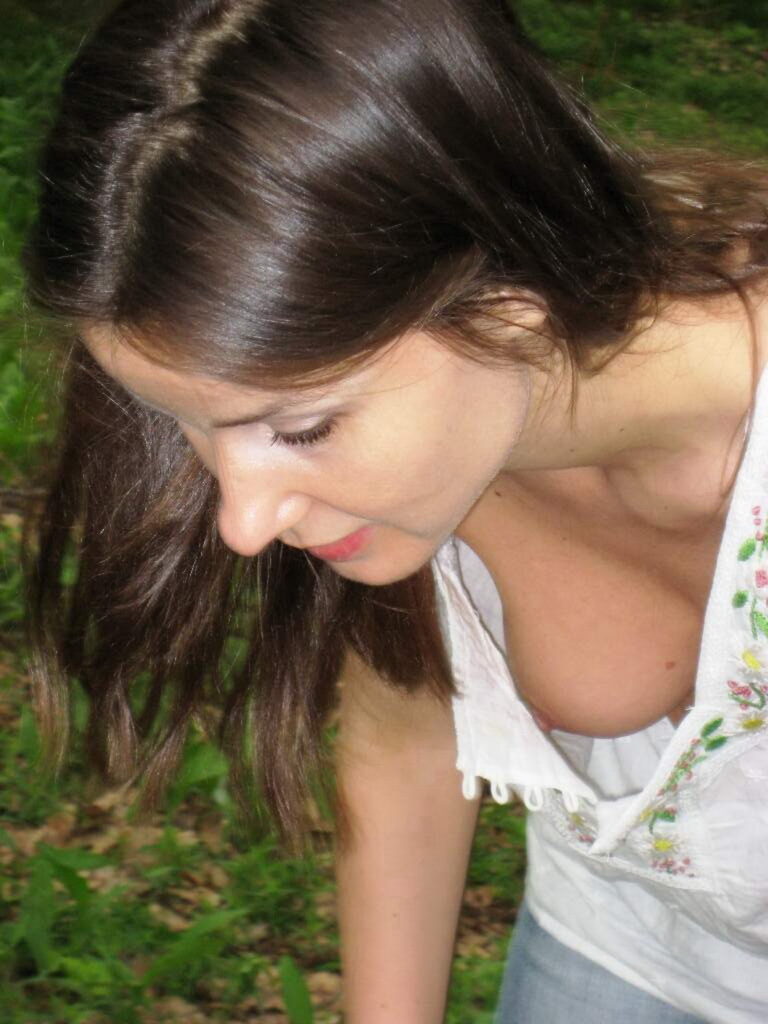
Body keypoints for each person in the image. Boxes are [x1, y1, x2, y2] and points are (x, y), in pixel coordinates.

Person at [23, 0, 768, 1020]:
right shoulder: (431, 460)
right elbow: (407, 741)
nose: (243, 523)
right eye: (187, 422)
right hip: (630, 945)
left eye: (300, 427)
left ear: (508, 308)